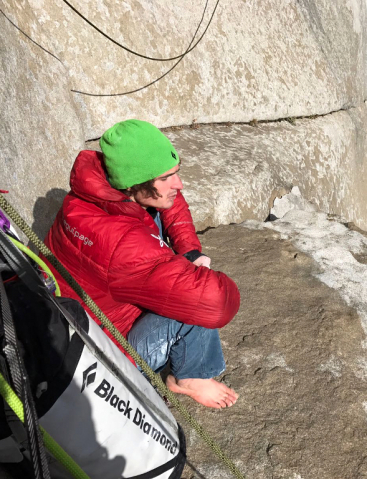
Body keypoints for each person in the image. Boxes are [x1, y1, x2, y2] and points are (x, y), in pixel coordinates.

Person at [44, 119, 240, 409]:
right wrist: (197, 272)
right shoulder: (123, 243)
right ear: (136, 183)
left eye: (175, 173)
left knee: (160, 212)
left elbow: (170, 199)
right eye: (167, 178)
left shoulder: (97, 195)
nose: (179, 184)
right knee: (194, 303)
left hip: (96, 311)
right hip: (111, 355)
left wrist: (189, 251)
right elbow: (215, 304)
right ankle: (190, 377)